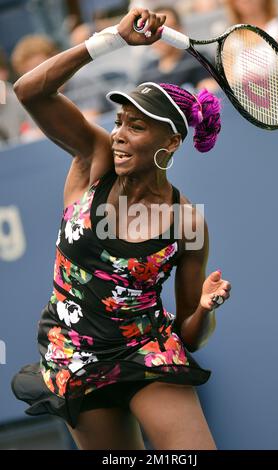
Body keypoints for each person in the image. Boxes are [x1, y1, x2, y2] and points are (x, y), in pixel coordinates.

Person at [11, 8, 231, 450]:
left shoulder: (186, 221)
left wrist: (205, 309)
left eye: (137, 126)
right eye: (118, 122)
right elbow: (29, 90)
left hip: (146, 348)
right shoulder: (94, 159)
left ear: (169, 142)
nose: (118, 135)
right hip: (75, 354)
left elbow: (190, 334)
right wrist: (111, 38)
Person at [136, 6, 211, 88]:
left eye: (166, 29)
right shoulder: (146, 72)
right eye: (153, 30)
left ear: (180, 30)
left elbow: (210, 91)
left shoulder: (198, 60)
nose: (159, 36)